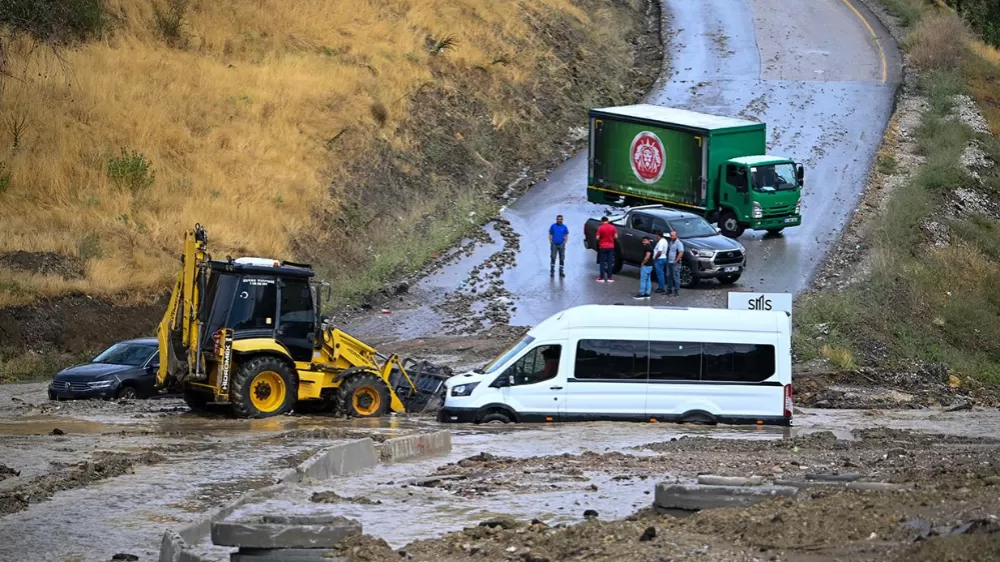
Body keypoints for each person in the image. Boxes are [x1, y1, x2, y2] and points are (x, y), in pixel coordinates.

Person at [595, 216, 617, 283]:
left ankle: (601, 278)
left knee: (602, 262)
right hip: (611, 246)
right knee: (610, 262)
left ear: (602, 221)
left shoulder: (600, 228)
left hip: (603, 247)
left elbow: (597, 238)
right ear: (608, 220)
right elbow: (616, 236)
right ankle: (610, 278)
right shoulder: (613, 227)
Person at [665, 230, 685, 296]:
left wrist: (676, 260)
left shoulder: (679, 243)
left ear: (676, 235)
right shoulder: (671, 242)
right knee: (669, 276)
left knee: (676, 276)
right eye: (671, 235)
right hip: (669, 261)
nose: (671, 237)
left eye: (672, 235)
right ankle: (669, 289)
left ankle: (676, 291)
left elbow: (681, 252)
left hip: (675, 263)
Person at [652, 229, 668, 294]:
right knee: (661, 273)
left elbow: (659, 251)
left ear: (657, 235)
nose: (655, 236)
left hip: (659, 259)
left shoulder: (661, 242)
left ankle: (661, 288)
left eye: (655, 235)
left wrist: (655, 257)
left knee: (660, 274)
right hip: (664, 258)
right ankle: (661, 287)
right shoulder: (665, 241)